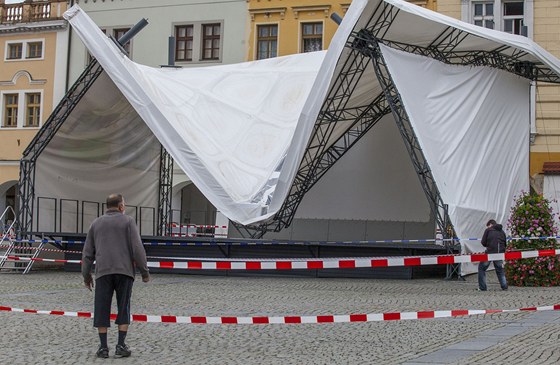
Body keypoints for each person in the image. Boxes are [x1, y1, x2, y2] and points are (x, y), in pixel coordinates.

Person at [82, 194, 150, 358]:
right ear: (120, 206)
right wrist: (144, 272)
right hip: (124, 272)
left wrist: (86, 275)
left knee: (101, 307)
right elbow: (137, 248)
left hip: (103, 272)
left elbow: (87, 253)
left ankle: (103, 347)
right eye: (124, 204)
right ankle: (121, 345)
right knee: (123, 307)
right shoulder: (128, 222)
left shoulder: (96, 223)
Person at [478, 219, 508, 291]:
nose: (488, 227)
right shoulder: (502, 231)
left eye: (488, 226)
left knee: (481, 268)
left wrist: (488, 245)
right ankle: (504, 286)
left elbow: (483, 242)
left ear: (490, 224)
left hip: (490, 252)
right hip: (499, 253)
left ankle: (483, 287)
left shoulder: (488, 230)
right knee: (500, 270)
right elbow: (505, 243)